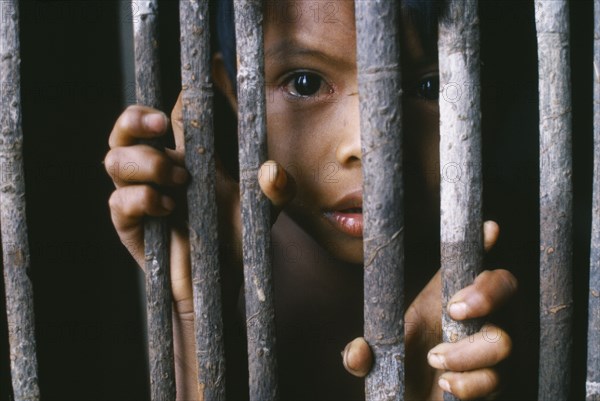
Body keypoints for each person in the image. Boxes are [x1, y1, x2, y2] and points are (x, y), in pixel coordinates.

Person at [104, 1, 518, 399]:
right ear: (235, 92)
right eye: (306, 83)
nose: (370, 145)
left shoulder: (516, 291)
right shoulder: (195, 268)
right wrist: (199, 315)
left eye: (427, 86)